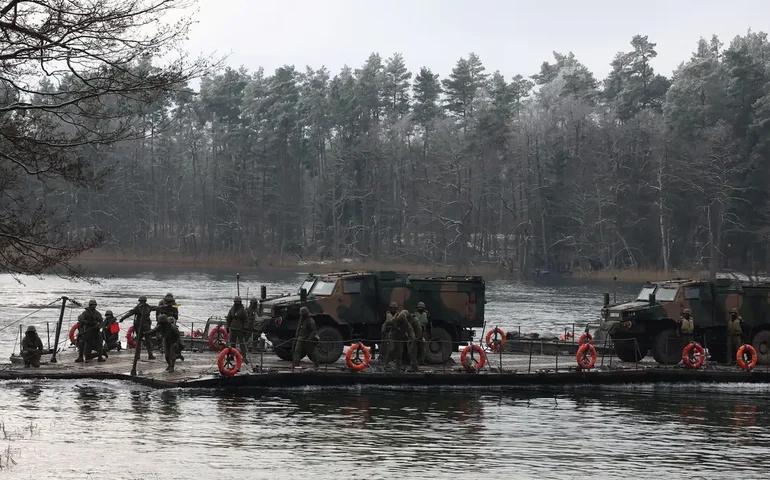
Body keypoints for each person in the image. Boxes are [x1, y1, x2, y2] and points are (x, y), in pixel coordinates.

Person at [119, 296, 155, 360]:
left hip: (146, 326)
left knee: (148, 341)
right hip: (139, 327)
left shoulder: (148, 307)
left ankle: (150, 355)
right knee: (139, 341)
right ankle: (137, 355)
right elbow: (130, 313)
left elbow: (157, 308)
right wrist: (123, 318)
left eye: (143, 301)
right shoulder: (137, 308)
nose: (142, 302)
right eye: (141, 301)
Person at [226, 296, 249, 362]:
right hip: (233, 328)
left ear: (240, 302)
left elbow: (246, 319)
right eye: (236, 302)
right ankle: (232, 356)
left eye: (238, 302)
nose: (237, 303)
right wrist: (227, 326)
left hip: (240, 329)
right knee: (232, 343)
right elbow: (228, 318)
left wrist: (245, 328)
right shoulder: (232, 309)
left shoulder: (243, 310)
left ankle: (244, 357)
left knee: (242, 344)